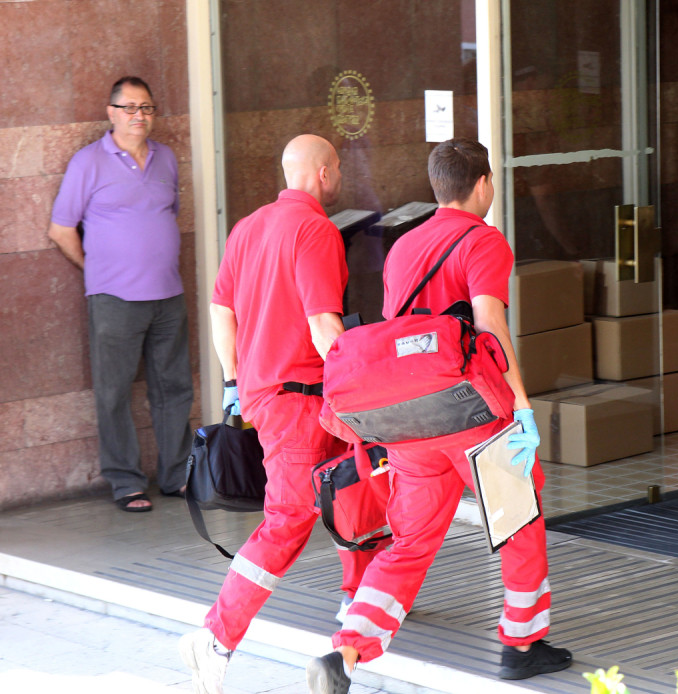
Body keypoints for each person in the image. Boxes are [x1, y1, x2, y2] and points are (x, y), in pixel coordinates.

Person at [306, 138, 572, 694]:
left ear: (435, 188)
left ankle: (350, 648)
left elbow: (401, 336)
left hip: (411, 422)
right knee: (518, 519)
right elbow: (489, 319)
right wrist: (522, 405)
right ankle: (522, 643)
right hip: (473, 412)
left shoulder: (404, 246)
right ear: (483, 185)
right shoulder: (485, 240)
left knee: (411, 541)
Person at [178, 134, 385, 693]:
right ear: (324, 173)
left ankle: (356, 608)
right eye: (337, 168)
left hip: (276, 396)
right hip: (302, 399)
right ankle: (215, 636)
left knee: (360, 488)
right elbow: (324, 326)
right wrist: (362, 384)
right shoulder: (315, 228)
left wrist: (232, 380)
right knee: (290, 519)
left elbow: (221, 309)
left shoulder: (247, 227)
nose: (339, 176)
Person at [47, 76, 193, 512]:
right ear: (111, 112)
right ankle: (125, 481)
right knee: (113, 392)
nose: (139, 116)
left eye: (146, 108)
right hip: (113, 298)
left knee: (175, 388)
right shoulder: (88, 162)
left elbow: (168, 216)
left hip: (168, 294)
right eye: (129, 108)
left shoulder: (166, 158)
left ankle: (177, 475)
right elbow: (60, 230)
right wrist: (97, 271)